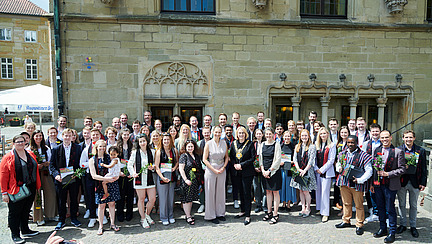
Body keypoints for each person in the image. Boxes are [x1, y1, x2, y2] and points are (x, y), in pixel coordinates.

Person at [1, 135, 41, 244]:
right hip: (16, 189)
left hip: (30, 187)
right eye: (18, 142)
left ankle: (25, 230)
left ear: (25, 142)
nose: (20, 143)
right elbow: (3, 176)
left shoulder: (30, 154)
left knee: (26, 210)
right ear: (14, 143)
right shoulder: (8, 157)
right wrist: (4, 193)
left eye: (22, 141)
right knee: (15, 213)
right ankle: (15, 235)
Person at [371, 130, 405, 243]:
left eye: (386, 137)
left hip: (390, 184)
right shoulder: (377, 150)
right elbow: (374, 167)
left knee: (390, 208)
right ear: (380, 138)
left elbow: (402, 169)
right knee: (380, 207)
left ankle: (392, 232)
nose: (384, 140)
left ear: (391, 137)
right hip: (378, 184)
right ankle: (383, 228)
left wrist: (388, 174)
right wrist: (372, 183)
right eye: (382, 138)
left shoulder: (398, 151)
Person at [334, 135, 373, 236]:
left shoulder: (364, 155)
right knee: (346, 203)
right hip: (344, 183)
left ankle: (359, 224)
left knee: (359, 205)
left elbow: (369, 171)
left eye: (352, 142)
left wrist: (360, 180)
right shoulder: (342, 153)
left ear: (357, 143)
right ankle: (346, 220)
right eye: (348, 142)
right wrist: (338, 168)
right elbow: (338, 163)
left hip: (357, 184)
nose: (350, 144)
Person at [396, 130, 428, 238]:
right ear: (403, 138)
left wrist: (423, 182)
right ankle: (402, 224)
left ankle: (413, 226)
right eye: (406, 137)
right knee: (401, 204)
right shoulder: (398, 150)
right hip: (402, 182)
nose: (408, 139)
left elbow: (424, 168)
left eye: (410, 137)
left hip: (416, 182)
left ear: (414, 138)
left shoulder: (420, 150)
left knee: (413, 205)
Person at [49, 128, 82, 230]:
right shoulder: (55, 149)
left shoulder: (78, 148)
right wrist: (56, 175)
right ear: (62, 136)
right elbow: (52, 165)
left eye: (69, 136)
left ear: (73, 137)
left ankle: (73, 218)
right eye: (65, 136)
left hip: (73, 178)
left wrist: (77, 173)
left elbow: (81, 163)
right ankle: (61, 220)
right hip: (60, 179)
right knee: (61, 200)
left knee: (73, 199)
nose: (67, 138)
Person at [89, 140, 121, 235]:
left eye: (104, 146)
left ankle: (112, 223)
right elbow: (93, 176)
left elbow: (116, 167)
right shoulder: (92, 160)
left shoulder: (110, 157)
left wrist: (115, 177)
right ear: (96, 147)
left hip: (112, 183)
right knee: (101, 206)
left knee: (112, 204)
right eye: (100, 146)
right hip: (100, 184)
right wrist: (105, 179)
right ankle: (101, 226)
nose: (102, 148)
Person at [127, 134, 156, 229]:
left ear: (147, 141)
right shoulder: (135, 152)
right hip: (139, 179)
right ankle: (143, 218)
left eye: (144, 141)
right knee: (141, 199)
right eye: (140, 141)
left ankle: (147, 214)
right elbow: (130, 165)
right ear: (138, 143)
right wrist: (133, 173)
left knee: (152, 199)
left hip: (150, 178)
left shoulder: (152, 151)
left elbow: (155, 165)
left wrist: (152, 168)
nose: (142, 143)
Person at [229, 126, 256, 225]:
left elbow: (252, 158)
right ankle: (243, 210)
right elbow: (231, 156)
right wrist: (235, 165)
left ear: (246, 134)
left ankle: (248, 215)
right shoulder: (234, 144)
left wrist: (242, 165)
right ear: (237, 134)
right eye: (239, 133)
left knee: (246, 193)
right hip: (236, 172)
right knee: (240, 192)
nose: (241, 135)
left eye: (243, 133)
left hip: (247, 172)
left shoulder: (250, 144)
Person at [30, 130, 57, 226]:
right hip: (35, 174)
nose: (38, 138)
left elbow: (51, 160)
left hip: (46, 172)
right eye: (36, 136)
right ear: (33, 137)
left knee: (51, 193)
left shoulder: (46, 148)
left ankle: (51, 214)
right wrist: (37, 166)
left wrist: (47, 163)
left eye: (40, 136)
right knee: (37, 197)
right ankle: (38, 217)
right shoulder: (30, 149)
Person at [203, 125, 229, 224]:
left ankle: (220, 213)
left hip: (222, 168)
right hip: (211, 169)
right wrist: (213, 169)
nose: (217, 134)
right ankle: (211, 215)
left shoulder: (224, 143)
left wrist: (223, 167)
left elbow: (226, 157)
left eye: (219, 132)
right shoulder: (208, 143)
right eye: (216, 132)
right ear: (212, 132)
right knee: (210, 192)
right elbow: (204, 159)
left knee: (220, 192)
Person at [290, 129, 317, 217]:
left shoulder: (312, 146)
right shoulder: (297, 146)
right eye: (302, 136)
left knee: (306, 191)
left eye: (306, 135)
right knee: (300, 190)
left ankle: (308, 208)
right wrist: (298, 169)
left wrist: (304, 170)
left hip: (307, 172)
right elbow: (294, 158)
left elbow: (311, 160)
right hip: (299, 171)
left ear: (308, 136)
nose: (304, 137)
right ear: (300, 137)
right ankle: (303, 207)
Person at [79, 128, 102, 228]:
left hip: (101, 176)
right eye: (93, 135)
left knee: (101, 195)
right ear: (91, 136)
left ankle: (102, 215)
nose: (95, 137)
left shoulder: (103, 148)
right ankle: (92, 217)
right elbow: (81, 164)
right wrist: (91, 164)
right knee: (91, 196)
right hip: (90, 176)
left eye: (97, 135)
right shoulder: (86, 149)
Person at [155, 133, 179, 225]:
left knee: (170, 198)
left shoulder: (174, 150)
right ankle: (164, 217)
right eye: (164, 140)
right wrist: (162, 177)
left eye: (168, 140)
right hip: (162, 177)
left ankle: (171, 215)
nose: (166, 141)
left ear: (170, 140)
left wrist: (174, 168)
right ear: (162, 140)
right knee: (163, 198)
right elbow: (156, 167)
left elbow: (177, 162)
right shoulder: (159, 151)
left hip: (171, 177)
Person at [178, 140, 204, 225]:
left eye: (191, 146)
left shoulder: (196, 156)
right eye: (188, 146)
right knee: (186, 199)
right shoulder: (183, 156)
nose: (190, 148)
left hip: (195, 181)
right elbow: (181, 169)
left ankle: (188, 214)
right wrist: (185, 179)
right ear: (185, 147)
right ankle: (188, 216)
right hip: (187, 181)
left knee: (191, 199)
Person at [260, 127, 282, 224]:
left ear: (273, 134)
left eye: (270, 134)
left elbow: (278, 159)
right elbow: (260, 159)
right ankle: (269, 212)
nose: (268, 136)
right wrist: (263, 171)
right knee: (268, 192)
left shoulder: (276, 145)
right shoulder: (262, 145)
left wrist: (269, 170)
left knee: (275, 192)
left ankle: (275, 214)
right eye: (266, 134)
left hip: (274, 172)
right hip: (264, 172)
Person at [314, 127, 336, 222]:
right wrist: (316, 168)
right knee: (318, 191)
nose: (323, 135)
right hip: (317, 171)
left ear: (328, 134)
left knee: (325, 193)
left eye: (324, 133)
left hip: (326, 172)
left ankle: (325, 213)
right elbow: (313, 158)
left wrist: (322, 169)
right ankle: (320, 209)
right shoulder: (316, 145)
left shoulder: (332, 145)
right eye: (321, 134)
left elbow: (331, 160)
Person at [362, 123, 382, 223]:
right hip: (369, 170)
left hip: (379, 172)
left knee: (378, 192)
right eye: (373, 131)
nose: (375, 133)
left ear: (380, 132)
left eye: (377, 131)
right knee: (369, 192)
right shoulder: (366, 144)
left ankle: (379, 212)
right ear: (370, 132)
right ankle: (372, 211)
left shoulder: (383, 142)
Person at [115, 129, 134, 222]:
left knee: (130, 195)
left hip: (130, 173)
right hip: (120, 173)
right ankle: (120, 214)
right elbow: (114, 161)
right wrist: (119, 172)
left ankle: (129, 213)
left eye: (127, 134)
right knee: (121, 195)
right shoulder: (117, 146)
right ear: (121, 135)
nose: (126, 136)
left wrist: (132, 172)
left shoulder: (132, 146)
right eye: (124, 134)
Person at [197, 126, 211, 213]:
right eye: (205, 132)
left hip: (213, 168)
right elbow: (198, 157)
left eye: (208, 132)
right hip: (202, 169)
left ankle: (211, 205)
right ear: (202, 133)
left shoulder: (214, 142)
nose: (206, 134)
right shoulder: (199, 144)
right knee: (203, 187)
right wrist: (203, 166)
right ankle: (202, 203)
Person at [280, 131, 295, 212]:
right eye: (285, 136)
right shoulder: (280, 146)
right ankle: (283, 203)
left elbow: (295, 159)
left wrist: (290, 162)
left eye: (288, 136)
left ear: (290, 137)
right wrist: (280, 162)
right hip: (282, 169)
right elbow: (278, 157)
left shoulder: (293, 147)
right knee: (283, 186)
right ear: (283, 137)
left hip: (290, 169)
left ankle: (289, 204)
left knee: (289, 187)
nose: (287, 138)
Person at [253, 128, 266, 213]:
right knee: (256, 187)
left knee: (264, 187)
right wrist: (255, 166)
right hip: (255, 169)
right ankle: (258, 204)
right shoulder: (253, 144)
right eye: (257, 134)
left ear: (262, 135)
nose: (258, 135)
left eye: (260, 134)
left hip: (264, 168)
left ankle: (265, 205)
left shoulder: (265, 144)